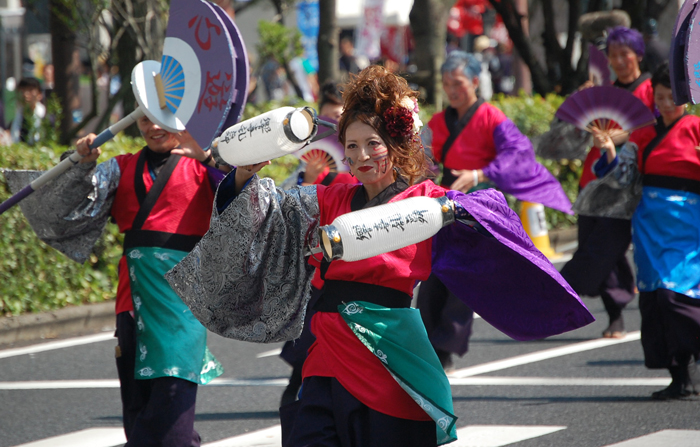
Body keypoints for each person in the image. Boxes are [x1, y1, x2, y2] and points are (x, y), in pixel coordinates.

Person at [166, 65, 593, 446]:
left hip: (388, 346)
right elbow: (271, 215)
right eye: (351, 147)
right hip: (326, 346)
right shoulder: (330, 198)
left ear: (395, 145)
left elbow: (494, 209)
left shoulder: (424, 199)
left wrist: (460, 209)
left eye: (372, 144)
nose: (361, 156)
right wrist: (245, 172)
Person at [8, 115, 226, 446]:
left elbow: (246, 204)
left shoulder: (206, 167)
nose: (153, 128)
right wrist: (80, 162)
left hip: (183, 303)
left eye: (162, 120)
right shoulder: (121, 167)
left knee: (172, 419)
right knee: (138, 409)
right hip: (133, 299)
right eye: (145, 119)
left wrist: (209, 159)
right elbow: (66, 204)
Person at [417, 50, 573, 370]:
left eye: (457, 82)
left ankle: (445, 347)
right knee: (433, 273)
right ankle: (428, 343)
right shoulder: (438, 121)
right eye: (446, 83)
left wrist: (478, 174)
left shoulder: (491, 117)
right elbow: (421, 156)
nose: (451, 89)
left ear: (475, 81)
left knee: (465, 276)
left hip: (480, 206)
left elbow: (518, 152)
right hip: (444, 202)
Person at [586, 63, 700, 399]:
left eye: (671, 98)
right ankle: (679, 375)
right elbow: (622, 177)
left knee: (676, 294)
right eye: (660, 98)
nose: (665, 104)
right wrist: (607, 150)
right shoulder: (642, 134)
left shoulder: (695, 129)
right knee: (655, 301)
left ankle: (689, 368)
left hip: (689, 226)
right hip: (650, 225)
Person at [560, 26, 655, 340]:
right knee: (596, 244)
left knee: (604, 247)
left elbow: (656, 126)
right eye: (613, 56)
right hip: (596, 177)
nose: (619, 61)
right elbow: (574, 127)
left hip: (628, 182)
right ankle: (613, 312)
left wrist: (622, 135)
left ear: (638, 55)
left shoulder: (652, 89)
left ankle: (560, 291)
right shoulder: (604, 91)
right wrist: (583, 99)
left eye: (624, 54)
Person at [279, 80, 357, 407]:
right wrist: (309, 182)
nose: (333, 127)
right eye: (326, 121)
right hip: (311, 270)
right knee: (309, 349)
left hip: (348, 268)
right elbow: (285, 215)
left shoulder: (357, 164)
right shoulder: (304, 168)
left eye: (339, 119)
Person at [11, 77, 46, 144]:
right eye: (23, 90)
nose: (25, 94)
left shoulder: (45, 116)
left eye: (30, 90)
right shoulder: (18, 115)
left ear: (39, 95)